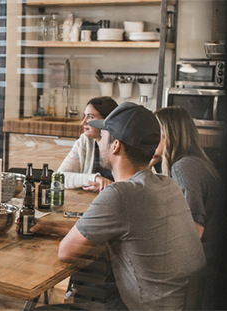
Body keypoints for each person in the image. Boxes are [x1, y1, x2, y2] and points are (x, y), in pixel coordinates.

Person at [33, 102, 205, 311]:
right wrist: (50, 227)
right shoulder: (167, 185)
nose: (99, 140)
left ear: (115, 146)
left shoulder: (120, 194)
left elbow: (66, 251)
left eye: (103, 135)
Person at [152, 107, 221, 311]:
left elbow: (193, 230)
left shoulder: (184, 167)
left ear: (167, 134)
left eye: (153, 131)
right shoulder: (195, 162)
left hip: (205, 267)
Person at [57, 97, 118, 192]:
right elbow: (59, 177)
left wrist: (106, 187)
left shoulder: (120, 144)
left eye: (90, 117)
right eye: (84, 116)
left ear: (107, 120)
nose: (83, 122)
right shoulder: (84, 141)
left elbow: (131, 185)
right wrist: (95, 178)